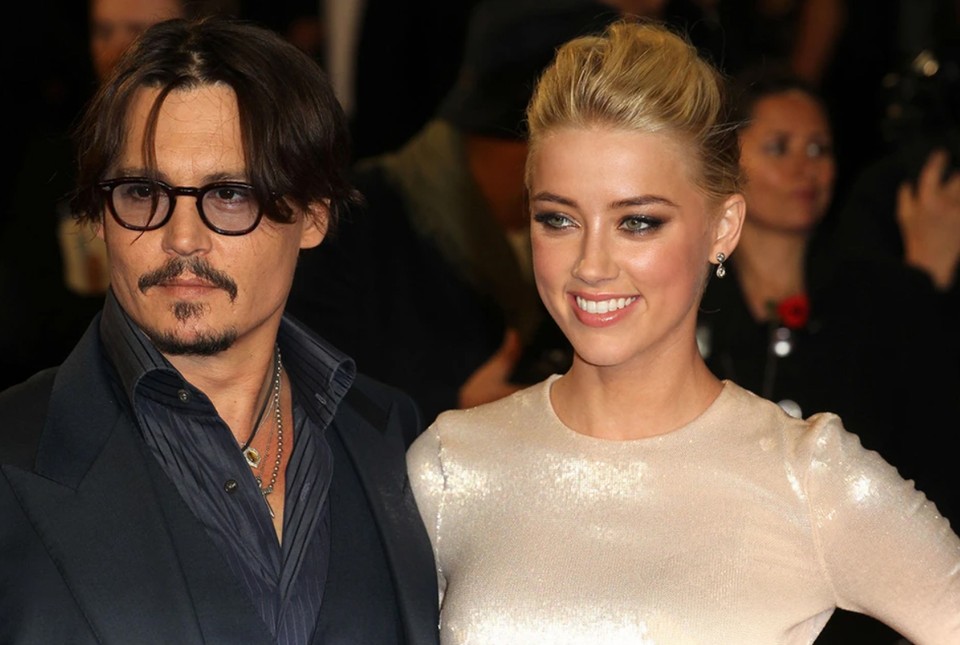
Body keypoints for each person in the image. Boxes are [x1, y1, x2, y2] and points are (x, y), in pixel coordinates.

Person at [406, 19, 960, 643]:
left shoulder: (806, 477)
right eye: (558, 219)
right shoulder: (450, 466)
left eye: (638, 222)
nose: (591, 265)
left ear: (723, 228)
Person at [0, 17, 437, 644]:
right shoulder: (13, 455)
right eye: (143, 192)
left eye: (231, 195)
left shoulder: (396, 439)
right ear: (98, 214)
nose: (182, 238)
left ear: (314, 215)